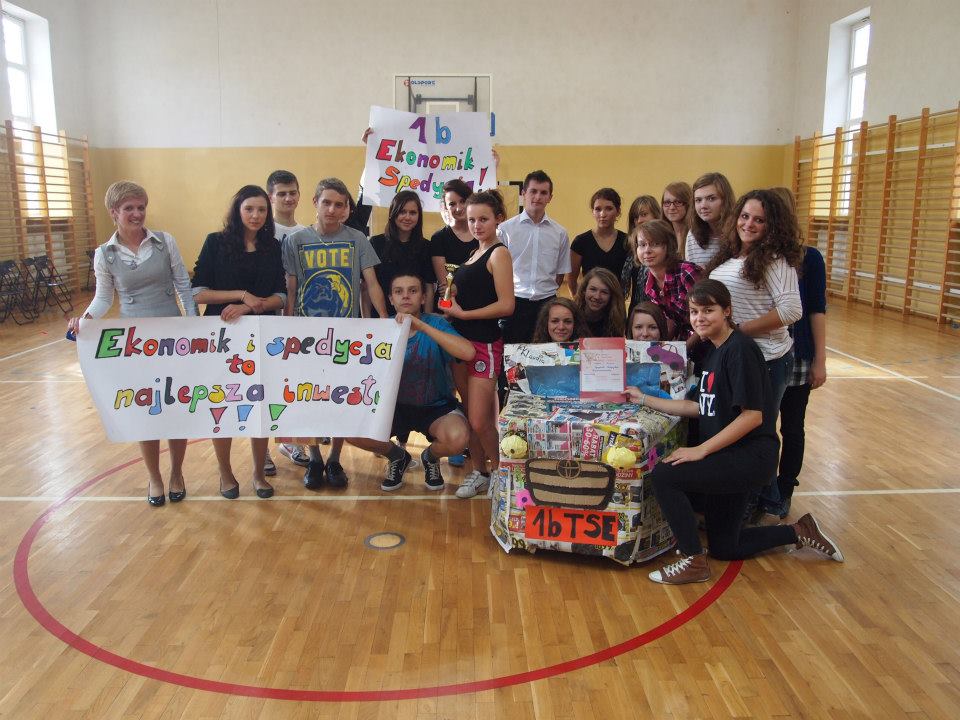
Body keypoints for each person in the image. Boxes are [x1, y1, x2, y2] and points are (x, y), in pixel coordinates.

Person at [625, 279, 843, 585]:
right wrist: (643, 399)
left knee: (665, 475)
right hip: (730, 455)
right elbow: (698, 407)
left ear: (727, 311)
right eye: (694, 311)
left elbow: (752, 417)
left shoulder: (740, 350)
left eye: (708, 310)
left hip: (749, 457)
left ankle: (692, 561)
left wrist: (701, 450)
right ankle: (800, 531)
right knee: (726, 546)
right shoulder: (715, 351)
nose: (700, 318)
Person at [68, 181, 198, 507]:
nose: (137, 213)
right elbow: (103, 298)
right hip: (135, 344)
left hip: (172, 338)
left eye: (141, 207)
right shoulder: (104, 254)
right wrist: (84, 319)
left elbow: (183, 286)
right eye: (129, 208)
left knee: (175, 406)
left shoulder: (165, 242)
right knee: (146, 410)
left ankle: (177, 473)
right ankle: (154, 477)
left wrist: (195, 326)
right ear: (114, 212)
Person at [283, 177, 387, 490]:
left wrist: (384, 321)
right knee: (310, 398)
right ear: (315, 202)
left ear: (346, 209)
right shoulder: (296, 240)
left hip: (345, 335)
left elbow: (372, 283)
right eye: (326, 202)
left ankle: (335, 458)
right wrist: (287, 327)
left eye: (339, 204)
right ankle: (315, 457)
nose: (332, 209)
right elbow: (291, 288)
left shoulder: (357, 239)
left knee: (342, 398)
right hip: (307, 336)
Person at [706, 189, 804, 518]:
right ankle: (750, 500)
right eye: (745, 216)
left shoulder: (775, 260)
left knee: (757, 434)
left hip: (768, 359)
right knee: (738, 429)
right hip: (737, 357)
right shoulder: (730, 255)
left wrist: (740, 331)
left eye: (759, 220)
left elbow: (791, 310)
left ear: (772, 225)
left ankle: (767, 503)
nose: (749, 224)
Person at [192, 185, 286, 500]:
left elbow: (280, 296)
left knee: (259, 405)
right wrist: (241, 295)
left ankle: (258, 473)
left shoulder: (273, 246)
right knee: (222, 404)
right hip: (221, 338)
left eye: (261, 210)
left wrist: (249, 306)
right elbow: (198, 293)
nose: (255, 215)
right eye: (249, 209)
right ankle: (225, 473)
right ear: (238, 210)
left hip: (261, 337)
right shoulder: (215, 242)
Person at [348, 274, 475, 492]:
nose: (406, 296)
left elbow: (468, 352)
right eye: (399, 291)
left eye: (413, 290)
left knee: (459, 438)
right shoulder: (382, 329)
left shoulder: (436, 323)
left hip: (436, 407)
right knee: (348, 429)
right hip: (393, 408)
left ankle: (430, 457)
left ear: (423, 297)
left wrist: (421, 326)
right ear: (390, 299)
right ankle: (397, 456)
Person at [442, 189, 515, 498]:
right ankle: (480, 472)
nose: (476, 225)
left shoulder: (499, 253)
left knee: (480, 419)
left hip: (484, 344)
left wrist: (465, 314)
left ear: (499, 219)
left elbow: (507, 305)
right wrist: (451, 301)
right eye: (472, 220)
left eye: (483, 219)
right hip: (460, 342)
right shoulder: (474, 252)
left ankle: (499, 473)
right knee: (470, 415)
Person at [770, 187, 827, 520]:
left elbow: (816, 310)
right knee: (760, 427)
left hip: (799, 356)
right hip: (765, 356)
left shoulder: (810, 258)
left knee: (792, 427)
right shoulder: (754, 257)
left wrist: (820, 359)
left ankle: (785, 489)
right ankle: (762, 489)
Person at [266, 170, 309, 471]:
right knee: (265, 383)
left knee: (295, 382)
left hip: (297, 317)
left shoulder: (306, 233)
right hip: (268, 315)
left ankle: (292, 440)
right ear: (271, 197)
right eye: (281, 193)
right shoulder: (262, 231)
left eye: (292, 192)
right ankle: (262, 450)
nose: (288, 198)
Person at [499, 170, 570, 344]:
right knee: (512, 354)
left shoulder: (560, 233)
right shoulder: (505, 230)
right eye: (533, 191)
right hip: (514, 302)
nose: (538, 197)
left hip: (547, 304)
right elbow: (498, 272)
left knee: (545, 354)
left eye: (543, 192)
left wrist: (545, 291)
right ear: (523, 193)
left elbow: (560, 274)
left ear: (550, 197)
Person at [622, 219, 701, 340]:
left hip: (709, 340)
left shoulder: (686, 272)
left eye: (655, 244)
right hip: (683, 341)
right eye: (642, 245)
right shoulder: (649, 283)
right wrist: (662, 347)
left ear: (668, 247)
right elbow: (670, 322)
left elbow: (706, 318)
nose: (647, 250)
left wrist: (684, 348)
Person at [369, 190, 435, 316]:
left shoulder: (426, 246)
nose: (407, 217)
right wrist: (366, 320)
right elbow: (367, 286)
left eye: (413, 213)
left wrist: (427, 321)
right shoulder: (376, 243)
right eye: (402, 212)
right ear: (393, 213)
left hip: (415, 319)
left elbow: (428, 287)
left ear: (419, 216)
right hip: (381, 318)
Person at [566, 188, 629, 295]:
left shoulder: (627, 241)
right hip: (589, 302)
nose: (602, 214)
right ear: (593, 212)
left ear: (618, 211)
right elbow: (571, 279)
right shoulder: (581, 242)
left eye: (609, 209)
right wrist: (578, 299)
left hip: (617, 302)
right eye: (598, 209)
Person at [431, 178, 479, 308]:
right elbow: (446, 287)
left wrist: (460, 287)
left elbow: (486, 280)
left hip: (480, 306)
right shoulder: (439, 238)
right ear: (446, 207)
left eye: (463, 201)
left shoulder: (481, 234)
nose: (458, 208)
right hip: (449, 307)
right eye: (452, 204)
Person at [687, 172, 736, 268]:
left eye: (711, 199)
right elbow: (692, 273)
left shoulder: (740, 231)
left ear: (725, 201)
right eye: (698, 200)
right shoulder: (693, 234)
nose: (703, 206)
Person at [574, 267, 626, 338]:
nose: (597, 296)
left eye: (604, 292)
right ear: (584, 290)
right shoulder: (572, 315)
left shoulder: (617, 320)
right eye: (593, 289)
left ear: (612, 296)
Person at [661, 181, 693, 248]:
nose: (672, 207)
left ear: (689, 204)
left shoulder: (696, 235)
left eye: (678, 202)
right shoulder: (661, 236)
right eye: (667, 202)